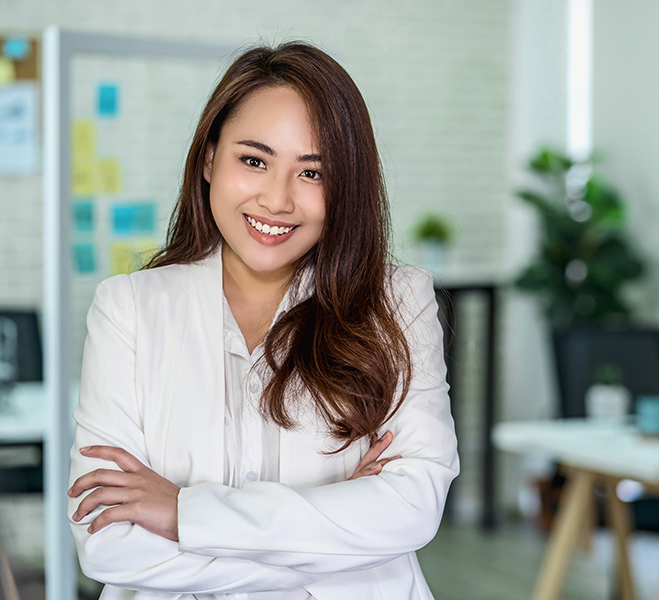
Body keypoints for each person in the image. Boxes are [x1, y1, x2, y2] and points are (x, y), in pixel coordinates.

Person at [66, 42, 458, 600]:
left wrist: (182, 512)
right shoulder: (128, 307)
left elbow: (413, 509)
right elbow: (109, 544)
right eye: (254, 160)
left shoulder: (396, 303)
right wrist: (342, 542)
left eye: (313, 173)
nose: (277, 200)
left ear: (346, 185)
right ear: (208, 160)